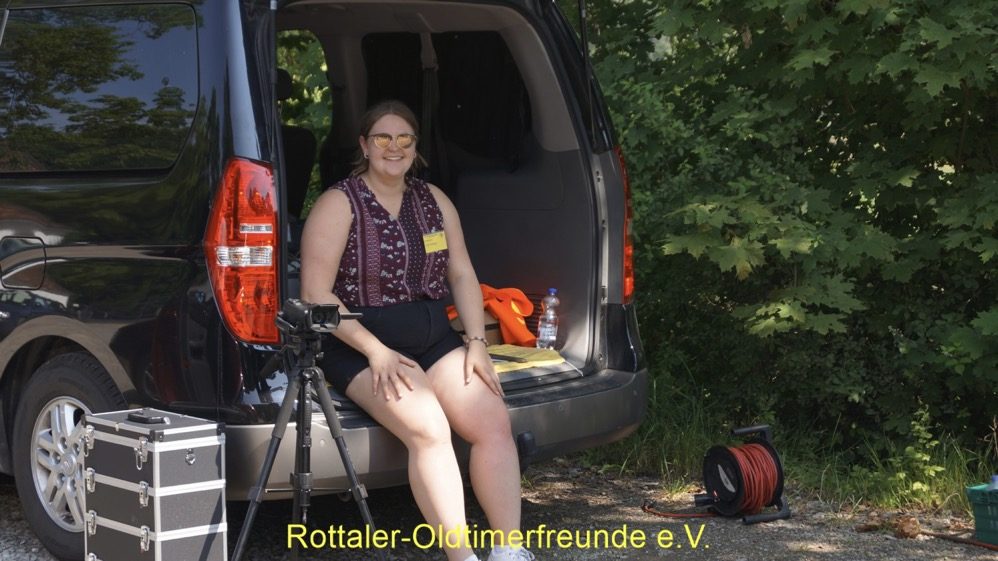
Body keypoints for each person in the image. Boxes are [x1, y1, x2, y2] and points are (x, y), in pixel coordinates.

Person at [300, 100, 534, 561]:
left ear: (415, 146)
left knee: (491, 420)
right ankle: (461, 557)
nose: (394, 147)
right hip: (358, 342)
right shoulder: (338, 203)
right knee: (429, 428)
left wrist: (477, 343)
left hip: (431, 336)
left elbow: (461, 274)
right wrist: (375, 351)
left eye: (404, 138)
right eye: (383, 138)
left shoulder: (433, 200)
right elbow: (315, 294)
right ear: (365, 145)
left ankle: (509, 550)